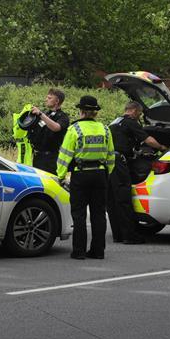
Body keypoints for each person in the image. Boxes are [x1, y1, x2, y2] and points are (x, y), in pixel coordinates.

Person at [57, 95, 114, 260]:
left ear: (81, 111)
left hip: (81, 174)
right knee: (98, 214)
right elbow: (111, 156)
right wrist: (106, 173)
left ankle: (79, 251)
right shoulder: (105, 129)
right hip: (100, 174)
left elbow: (65, 155)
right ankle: (98, 251)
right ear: (95, 113)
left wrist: (61, 176)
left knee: (79, 214)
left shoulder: (74, 130)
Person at [108, 101, 167, 244]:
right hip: (119, 163)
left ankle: (118, 234)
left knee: (112, 200)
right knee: (124, 199)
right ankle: (129, 236)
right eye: (139, 113)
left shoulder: (115, 122)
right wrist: (161, 147)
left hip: (108, 163)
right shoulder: (131, 122)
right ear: (134, 111)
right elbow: (149, 140)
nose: (139, 116)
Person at [26, 88, 70, 174]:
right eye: (47, 97)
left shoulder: (63, 117)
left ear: (57, 101)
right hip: (37, 157)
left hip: (51, 159)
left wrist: (40, 114)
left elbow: (56, 127)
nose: (46, 99)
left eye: (49, 98)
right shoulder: (46, 114)